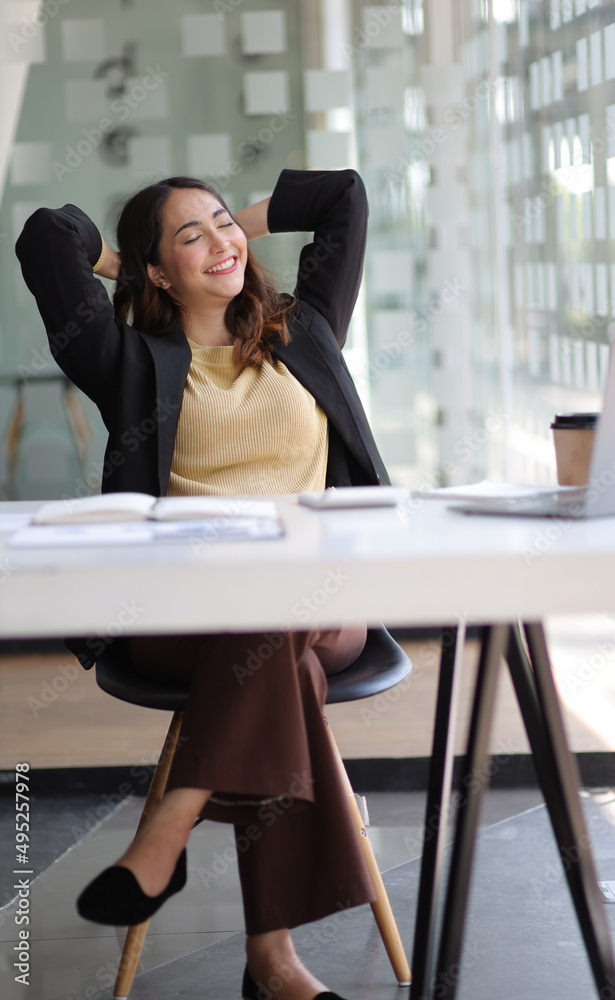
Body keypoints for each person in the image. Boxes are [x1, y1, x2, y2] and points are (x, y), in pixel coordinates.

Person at [15, 167, 391, 1000]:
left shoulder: (307, 331)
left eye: (225, 224)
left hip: (319, 597)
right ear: (156, 272)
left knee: (275, 613)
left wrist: (228, 230)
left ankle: (169, 828)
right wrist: (123, 261)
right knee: (272, 655)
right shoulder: (126, 360)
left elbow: (343, 199)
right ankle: (274, 963)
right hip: (179, 611)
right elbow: (47, 236)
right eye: (191, 237)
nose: (221, 241)